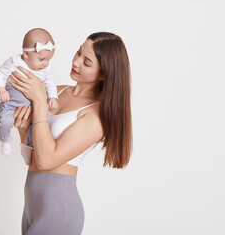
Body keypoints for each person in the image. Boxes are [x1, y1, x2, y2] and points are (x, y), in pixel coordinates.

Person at [9, 32, 132, 235]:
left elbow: (47, 161)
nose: (76, 62)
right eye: (78, 53)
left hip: (58, 211)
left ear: (103, 74)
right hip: (31, 204)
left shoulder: (96, 116)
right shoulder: (56, 92)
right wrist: (23, 130)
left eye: (87, 62)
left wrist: (39, 102)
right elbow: (33, 159)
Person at [0, 28, 59, 158]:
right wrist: (1, 90)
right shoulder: (15, 62)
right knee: (4, 121)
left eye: (48, 60)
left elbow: (50, 82)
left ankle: (28, 149)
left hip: (33, 106)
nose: (45, 64)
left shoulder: (45, 68)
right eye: (41, 59)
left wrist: (52, 97)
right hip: (11, 103)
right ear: (26, 54)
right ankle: (5, 140)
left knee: (36, 130)